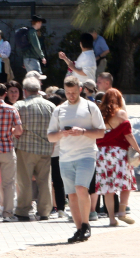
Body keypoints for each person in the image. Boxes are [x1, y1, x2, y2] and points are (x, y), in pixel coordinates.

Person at [47, 76, 106, 243]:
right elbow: (51, 136)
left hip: (86, 154)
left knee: (81, 189)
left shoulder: (90, 107)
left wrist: (83, 132)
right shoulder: (59, 110)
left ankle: (86, 224)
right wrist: (61, 134)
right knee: (71, 195)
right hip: (65, 157)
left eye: (73, 92)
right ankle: (79, 228)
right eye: (67, 93)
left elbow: (101, 132)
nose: (70, 96)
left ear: (80, 90)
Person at [95, 88, 140, 226]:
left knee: (108, 188)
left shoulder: (99, 114)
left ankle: (111, 219)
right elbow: (128, 134)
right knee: (125, 183)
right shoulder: (121, 114)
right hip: (118, 153)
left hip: (102, 154)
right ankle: (121, 211)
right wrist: (138, 150)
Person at [14, 77, 55, 221]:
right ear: (38, 90)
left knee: (24, 181)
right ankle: (44, 211)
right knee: (44, 181)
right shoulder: (51, 106)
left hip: (26, 148)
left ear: (24, 91)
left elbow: (16, 127)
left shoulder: (20, 105)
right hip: (46, 148)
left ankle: (23, 210)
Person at [0, 83, 23, 221]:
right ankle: (8, 213)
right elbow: (19, 130)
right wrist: (10, 132)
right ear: (5, 94)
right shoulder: (11, 109)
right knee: (8, 183)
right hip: (7, 149)